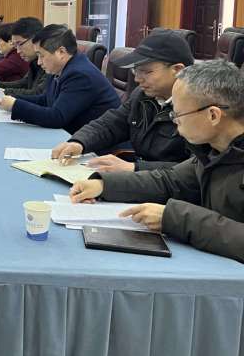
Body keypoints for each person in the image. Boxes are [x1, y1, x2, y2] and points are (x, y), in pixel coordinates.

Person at [70, 60, 244, 263]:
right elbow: (169, 181)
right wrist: (104, 185)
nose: (174, 121)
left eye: (178, 114)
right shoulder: (213, 151)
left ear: (213, 115)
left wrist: (172, 218)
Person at [52, 30, 194, 172]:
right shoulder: (142, 95)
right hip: (142, 178)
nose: (137, 79)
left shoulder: (197, 108)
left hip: (166, 183)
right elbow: (110, 124)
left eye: (146, 71)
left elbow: (195, 170)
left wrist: (134, 168)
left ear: (177, 70)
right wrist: (79, 142)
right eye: (136, 70)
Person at [0, 25, 120, 133]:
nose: (39, 62)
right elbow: (45, 100)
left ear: (61, 52)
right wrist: (13, 99)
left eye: (41, 55)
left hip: (96, 145)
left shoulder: (80, 75)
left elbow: (57, 117)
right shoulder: (60, 67)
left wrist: (15, 106)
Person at [0, 17, 47, 97]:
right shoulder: (33, 60)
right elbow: (24, 83)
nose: (18, 51)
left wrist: (2, 91)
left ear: (35, 39)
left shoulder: (48, 62)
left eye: (20, 44)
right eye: (15, 45)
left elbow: (38, 94)